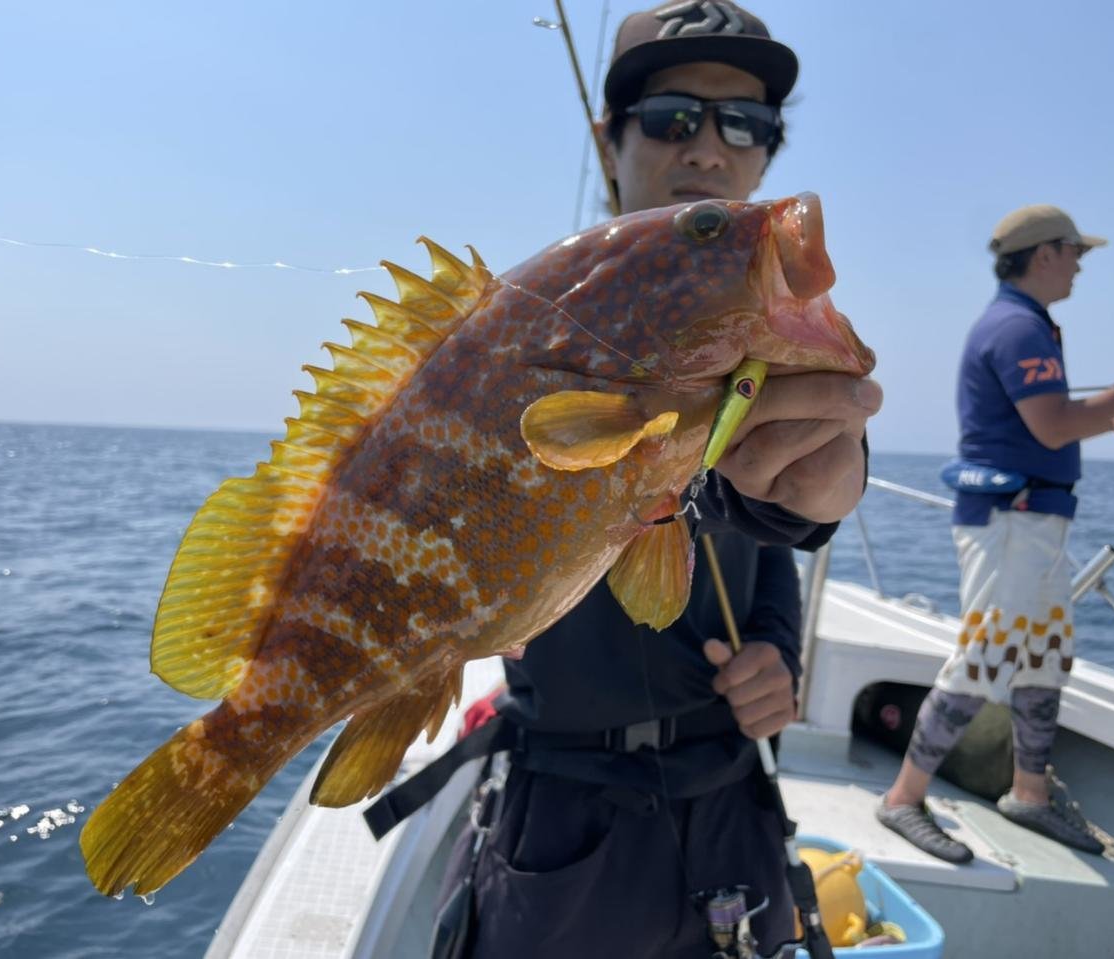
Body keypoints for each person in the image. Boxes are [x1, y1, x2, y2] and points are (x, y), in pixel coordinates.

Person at [429, 4, 882, 956]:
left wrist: (776, 653)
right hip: (565, 814)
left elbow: (777, 514)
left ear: (766, 154)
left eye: (745, 125)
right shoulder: (521, 343)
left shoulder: (763, 340)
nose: (709, 149)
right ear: (612, 141)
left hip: (730, 801)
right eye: (674, 116)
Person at [876, 204, 1114, 863]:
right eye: (1074, 252)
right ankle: (900, 797)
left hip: (1034, 520)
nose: (1080, 265)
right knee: (983, 657)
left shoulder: (1025, 324)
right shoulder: (1015, 328)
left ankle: (1028, 794)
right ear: (1043, 254)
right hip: (1009, 523)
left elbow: (1042, 414)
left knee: (1045, 656)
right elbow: (1052, 426)